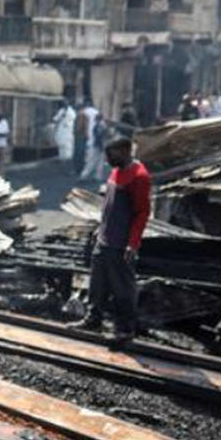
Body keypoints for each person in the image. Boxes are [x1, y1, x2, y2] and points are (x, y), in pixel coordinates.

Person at [71, 138, 150, 342]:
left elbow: (142, 212)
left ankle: (125, 328)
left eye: (111, 154)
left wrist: (133, 244)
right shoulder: (116, 171)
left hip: (120, 243)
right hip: (105, 239)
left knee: (122, 288)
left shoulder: (139, 176)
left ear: (125, 151)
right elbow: (109, 204)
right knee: (97, 285)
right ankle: (93, 319)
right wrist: (100, 228)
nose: (107, 159)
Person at [80, 109, 108, 182]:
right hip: (100, 146)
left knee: (93, 161)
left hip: (97, 145)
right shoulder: (102, 125)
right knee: (98, 162)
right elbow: (101, 137)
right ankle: (94, 176)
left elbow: (99, 136)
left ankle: (85, 175)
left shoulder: (99, 125)